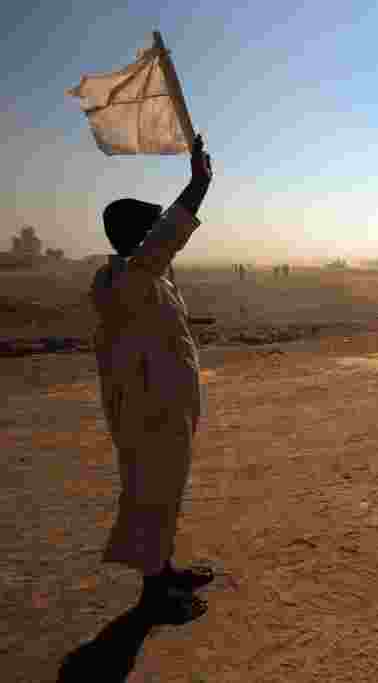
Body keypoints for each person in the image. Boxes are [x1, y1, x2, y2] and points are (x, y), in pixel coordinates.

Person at [89, 135, 215, 625]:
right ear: (137, 239)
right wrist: (198, 184)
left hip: (164, 407)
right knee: (152, 492)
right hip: (148, 413)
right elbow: (170, 235)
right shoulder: (128, 279)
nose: (157, 238)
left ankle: (163, 571)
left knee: (164, 490)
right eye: (149, 230)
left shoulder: (146, 279)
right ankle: (154, 594)